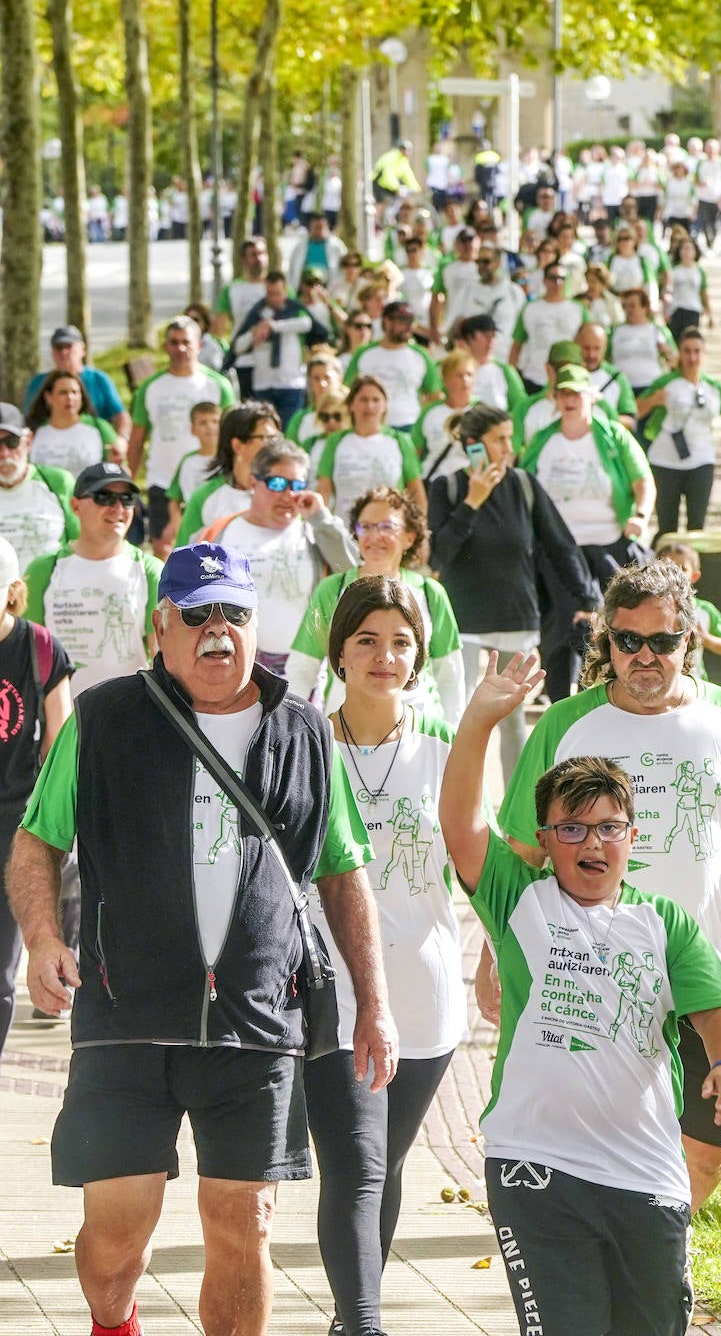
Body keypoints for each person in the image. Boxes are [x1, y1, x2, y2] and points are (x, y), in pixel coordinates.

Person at [5, 542, 397, 1336]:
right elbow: (36, 842)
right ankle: (114, 1322)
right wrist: (44, 940)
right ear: (162, 625)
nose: (217, 630)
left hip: (256, 1021)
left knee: (244, 1220)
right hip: (124, 1018)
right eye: (197, 614)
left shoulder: (304, 731)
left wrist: (374, 1005)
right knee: (114, 1240)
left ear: (258, 625)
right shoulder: (105, 718)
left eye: (235, 614)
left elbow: (343, 871)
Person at [439, 653, 721, 1336]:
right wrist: (482, 719)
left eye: (608, 827)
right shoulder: (521, 903)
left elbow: (718, 1007)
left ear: (631, 839)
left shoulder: (663, 924)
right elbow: (462, 825)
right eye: (571, 829)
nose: (591, 842)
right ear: (545, 842)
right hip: (536, 1168)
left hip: (648, 1176)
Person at [490, 560, 721, 1211]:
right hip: (586, 973)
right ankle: (623, 1263)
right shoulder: (565, 726)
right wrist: (495, 952)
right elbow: (520, 850)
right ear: (606, 642)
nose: (644, 657)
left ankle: (659, 1245)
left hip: (698, 971)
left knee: (708, 1148)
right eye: (626, 641)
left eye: (661, 642)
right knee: (589, 1144)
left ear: (690, 638)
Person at [303, 576, 467, 1336]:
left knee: (386, 1165)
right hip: (326, 993)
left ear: (420, 655)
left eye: (401, 641)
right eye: (366, 639)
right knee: (357, 1166)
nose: (384, 655)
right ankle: (363, 1323)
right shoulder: (300, 743)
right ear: (338, 652)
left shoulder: (445, 756)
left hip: (426, 995)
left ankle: (349, 1316)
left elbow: (477, 867)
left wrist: (500, 954)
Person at [428, 404, 599, 783]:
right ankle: (456, 811)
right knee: (458, 720)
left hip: (516, 620)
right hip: (463, 625)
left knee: (513, 723)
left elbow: (561, 543)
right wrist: (472, 501)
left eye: (510, 437)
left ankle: (513, 816)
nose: (509, 447)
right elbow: (438, 555)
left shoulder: (524, 485)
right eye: (499, 439)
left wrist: (587, 599)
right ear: (473, 445)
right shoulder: (448, 488)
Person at [520, 364, 654, 700]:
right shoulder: (543, 440)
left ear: (591, 397)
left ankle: (604, 699)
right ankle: (558, 706)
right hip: (557, 553)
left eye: (575, 393)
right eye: (562, 393)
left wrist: (640, 515)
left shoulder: (613, 435)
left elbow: (643, 481)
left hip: (607, 547)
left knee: (606, 628)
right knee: (557, 632)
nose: (568, 399)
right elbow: (523, 487)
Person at [288, 485, 464, 726]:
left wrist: (455, 738)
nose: (374, 536)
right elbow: (302, 668)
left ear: (409, 537)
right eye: (366, 527)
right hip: (343, 734)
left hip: (419, 734)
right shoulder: (332, 590)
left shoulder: (431, 593)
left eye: (387, 527)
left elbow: (450, 677)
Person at [196, 438, 358, 676]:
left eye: (297, 484)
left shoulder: (314, 531)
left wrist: (321, 518)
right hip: (237, 667)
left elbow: (352, 571)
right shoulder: (219, 533)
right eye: (278, 483)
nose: (288, 494)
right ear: (253, 482)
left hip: (304, 669)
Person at [0, 536, 73, 1061]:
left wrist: (52, 827)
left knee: (1, 967)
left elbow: (59, 740)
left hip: (15, 825)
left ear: (12, 592)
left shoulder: (40, 647)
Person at [24, 464, 162, 699]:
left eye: (126, 498)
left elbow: (163, 659)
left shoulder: (150, 570)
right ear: (75, 505)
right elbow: (26, 655)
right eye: (104, 497)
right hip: (63, 719)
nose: (118, 507)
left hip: (129, 713)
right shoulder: (44, 569)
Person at [638, 329, 721, 536]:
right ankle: (662, 568)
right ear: (679, 353)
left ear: (704, 354)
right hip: (665, 463)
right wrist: (653, 400)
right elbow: (634, 410)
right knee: (667, 530)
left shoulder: (714, 387)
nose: (692, 357)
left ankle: (693, 568)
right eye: (687, 351)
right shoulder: (666, 382)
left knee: (697, 529)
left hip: (701, 462)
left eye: (697, 352)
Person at [127, 316, 236, 560]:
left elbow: (234, 436)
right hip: (162, 484)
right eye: (174, 342)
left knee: (212, 555)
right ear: (166, 346)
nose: (180, 348)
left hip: (210, 480)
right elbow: (136, 440)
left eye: (186, 342)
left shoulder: (218, 385)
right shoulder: (151, 387)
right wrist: (130, 486)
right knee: (164, 553)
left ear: (198, 345)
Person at [316, 376, 426, 524]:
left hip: (389, 529)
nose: (370, 406)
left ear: (385, 405)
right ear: (351, 405)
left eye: (376, 400)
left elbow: (417, 493)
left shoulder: (401, 441)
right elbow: (324, 490)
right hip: (344, 529)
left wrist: (420, 536)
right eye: (363, 400)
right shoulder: (335, 441)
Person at [231, 271, 328, 430]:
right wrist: (255, 332)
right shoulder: (257, 313)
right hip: (263, 384)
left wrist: (274, 326)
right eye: (270, 293)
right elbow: (238, 346)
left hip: (291, 383)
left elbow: (307, 324)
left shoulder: (295, 309)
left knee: (289, 429)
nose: (273, 298)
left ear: (285, 291)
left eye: (277, 293)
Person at [175, 402, 281, 546]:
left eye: (276, 437)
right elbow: (183, 559)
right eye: (266, 438)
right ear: (237, 445)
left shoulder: (286, 490)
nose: (275, 446)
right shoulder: (204, 497)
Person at [0, 403, 79, 571]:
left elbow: (83, 540)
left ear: (28, 441)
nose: (4, 453)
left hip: (53, 593)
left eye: (11, 442)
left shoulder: (58, 482)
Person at [344, 301, 441, 435]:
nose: (408, 327)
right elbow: (347, 389)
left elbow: (434, 394)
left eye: (410, 321)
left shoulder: (421, 355)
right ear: (386, 321)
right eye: (402, 321)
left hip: (409, 425)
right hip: (370, 425)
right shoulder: (364, 354)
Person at [23, 326, 131, 442]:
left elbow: (121, 416)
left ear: (83, 349)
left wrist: (122, 440)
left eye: (69, 346)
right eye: (59, 348)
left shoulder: (99, 379)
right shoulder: (38, 382)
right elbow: (28, 419)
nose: (64, 352)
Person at [25, 370, 126, 477]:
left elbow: (123, 472)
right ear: (48, 397)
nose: (70, 398)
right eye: (63, 393)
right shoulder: (34, 431)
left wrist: (116, 465)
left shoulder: (99, 427)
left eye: (74, 392)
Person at [657, 543, 721, 681]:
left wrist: (705, 638)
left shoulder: (705, 611)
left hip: (695, 681)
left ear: (695, 576)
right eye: (669, 568)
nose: (676, 574)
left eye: (683, 569)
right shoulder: (648, 610)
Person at [510, 262, 588, 393]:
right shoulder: (530, 308)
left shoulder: (579, 309)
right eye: (553, 278)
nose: (557, 283)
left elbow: (588, 342)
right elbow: (516, 346)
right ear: (545, 280)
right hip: (534, 377)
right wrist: (512, 377)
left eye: (561, 279)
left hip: (570, 380)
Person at [212, 238, 270, 399]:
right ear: (244, 260)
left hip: (275, 364)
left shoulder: (279, 287)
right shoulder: (232, 290)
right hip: (245, 361)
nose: (259, 259)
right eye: (253, 255)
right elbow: (218, 330)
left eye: (262, 253)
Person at [411, 348, 478, 482]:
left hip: (469, 483)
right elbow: (415, 454)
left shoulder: (481, 412)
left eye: (469, 375)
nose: (465, 380)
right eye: (459, 375)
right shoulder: (430, 412)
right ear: (446, 379)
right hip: (434, 482)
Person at [165, 401, 223, 539]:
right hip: (193, 524)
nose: (210, 427)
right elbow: (174, 498)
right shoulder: (188, 461)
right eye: (203, 423)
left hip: (221, 523)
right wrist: (176, 522)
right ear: (193, 430)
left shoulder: (230, 460)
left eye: (215, 421)